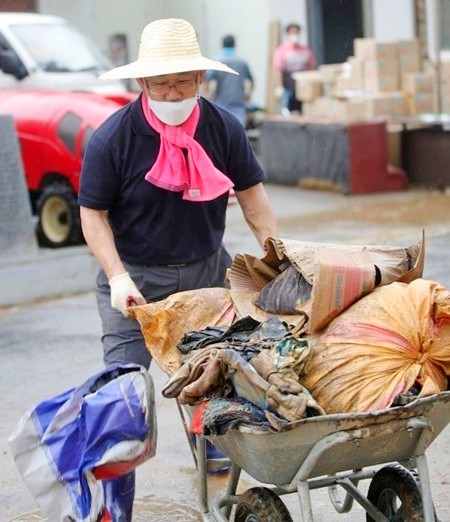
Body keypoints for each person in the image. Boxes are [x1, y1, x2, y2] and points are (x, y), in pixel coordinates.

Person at [78, 18, 277, 520]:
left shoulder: (221, 127)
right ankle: (111, 506)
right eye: (162, 83)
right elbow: (92, 214)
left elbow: (252, 197)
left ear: (200, 79)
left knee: (213, 384)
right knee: (123, 392)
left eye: (183, 82)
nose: (173, 92)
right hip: (136, 279)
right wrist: (117, 276)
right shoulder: (114, 138)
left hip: (206, 270)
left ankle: (216, 494)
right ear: (142, 83)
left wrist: (279, 255)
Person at [203, 34, 254, 127]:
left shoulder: (217, 61)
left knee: (222, 131)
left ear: (221, 45)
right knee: (238, 131)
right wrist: (248, 95)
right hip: (238, 102)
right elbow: (251, 80)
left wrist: (208, 95)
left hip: (221, 103)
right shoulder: (242, 61)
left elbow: (206, 80)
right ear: (235, 45)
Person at [273, 22, 316, 115]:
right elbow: (278, 69)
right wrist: (279, 86)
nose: (294, 35)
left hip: (302, 82)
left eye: (296, 33)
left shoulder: (305, 50)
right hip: (288, 82)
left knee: (301, 107)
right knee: (288, 107)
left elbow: (311, 65)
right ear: (288, 34)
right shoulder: (282, 50)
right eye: (292, 33)